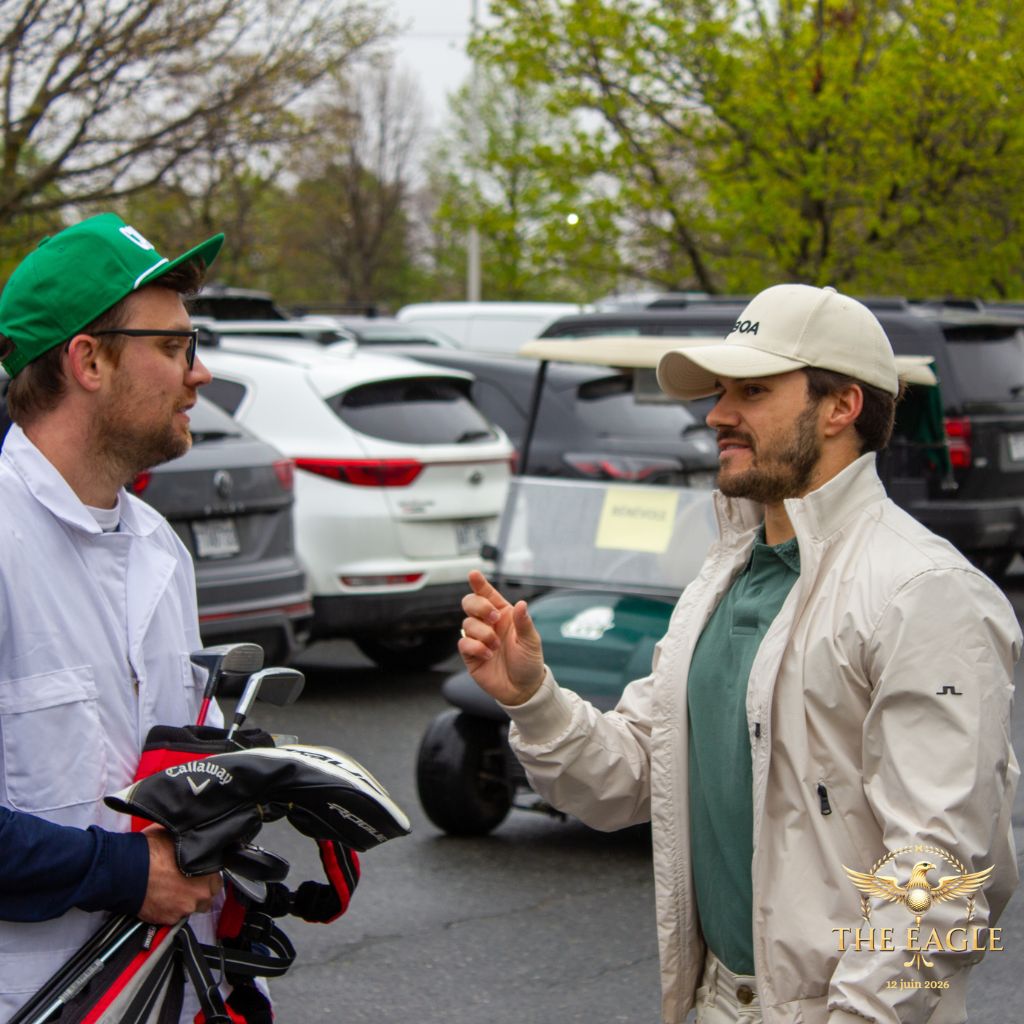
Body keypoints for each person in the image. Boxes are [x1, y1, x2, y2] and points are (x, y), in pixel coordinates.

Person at [458, 284, 1020, 1024]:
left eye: (752, 390)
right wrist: (533, 698)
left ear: (841, 407)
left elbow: (939, 875)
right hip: (718, 999)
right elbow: (631, 776)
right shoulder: (725, 575)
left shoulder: (924, 593)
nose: (718, 415)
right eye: (720, 393)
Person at [0, 213, 226, 1019]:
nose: (198, 375)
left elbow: (168, 763)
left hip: (168, 989)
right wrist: (124, 873)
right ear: (87, 360)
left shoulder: (161, 550)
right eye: (172, 348)